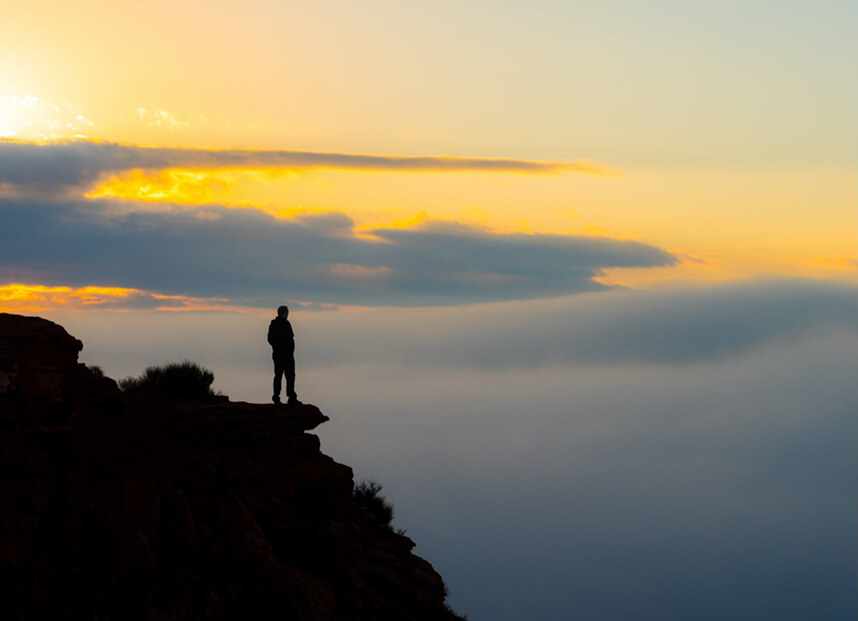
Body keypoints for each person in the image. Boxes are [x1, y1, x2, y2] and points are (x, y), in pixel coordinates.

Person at [268, 305, 301, 405]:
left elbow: (270, 339)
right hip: (287, 356)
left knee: (278, 376)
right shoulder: (286, 324)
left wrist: (276, 347)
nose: (288, 315)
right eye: (287, 313)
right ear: (284, 313)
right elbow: (290, 339)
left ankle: (276, 397)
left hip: (278, 355)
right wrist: (288, 351)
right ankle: (291, 397)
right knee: (290, 376)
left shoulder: (273, 325)